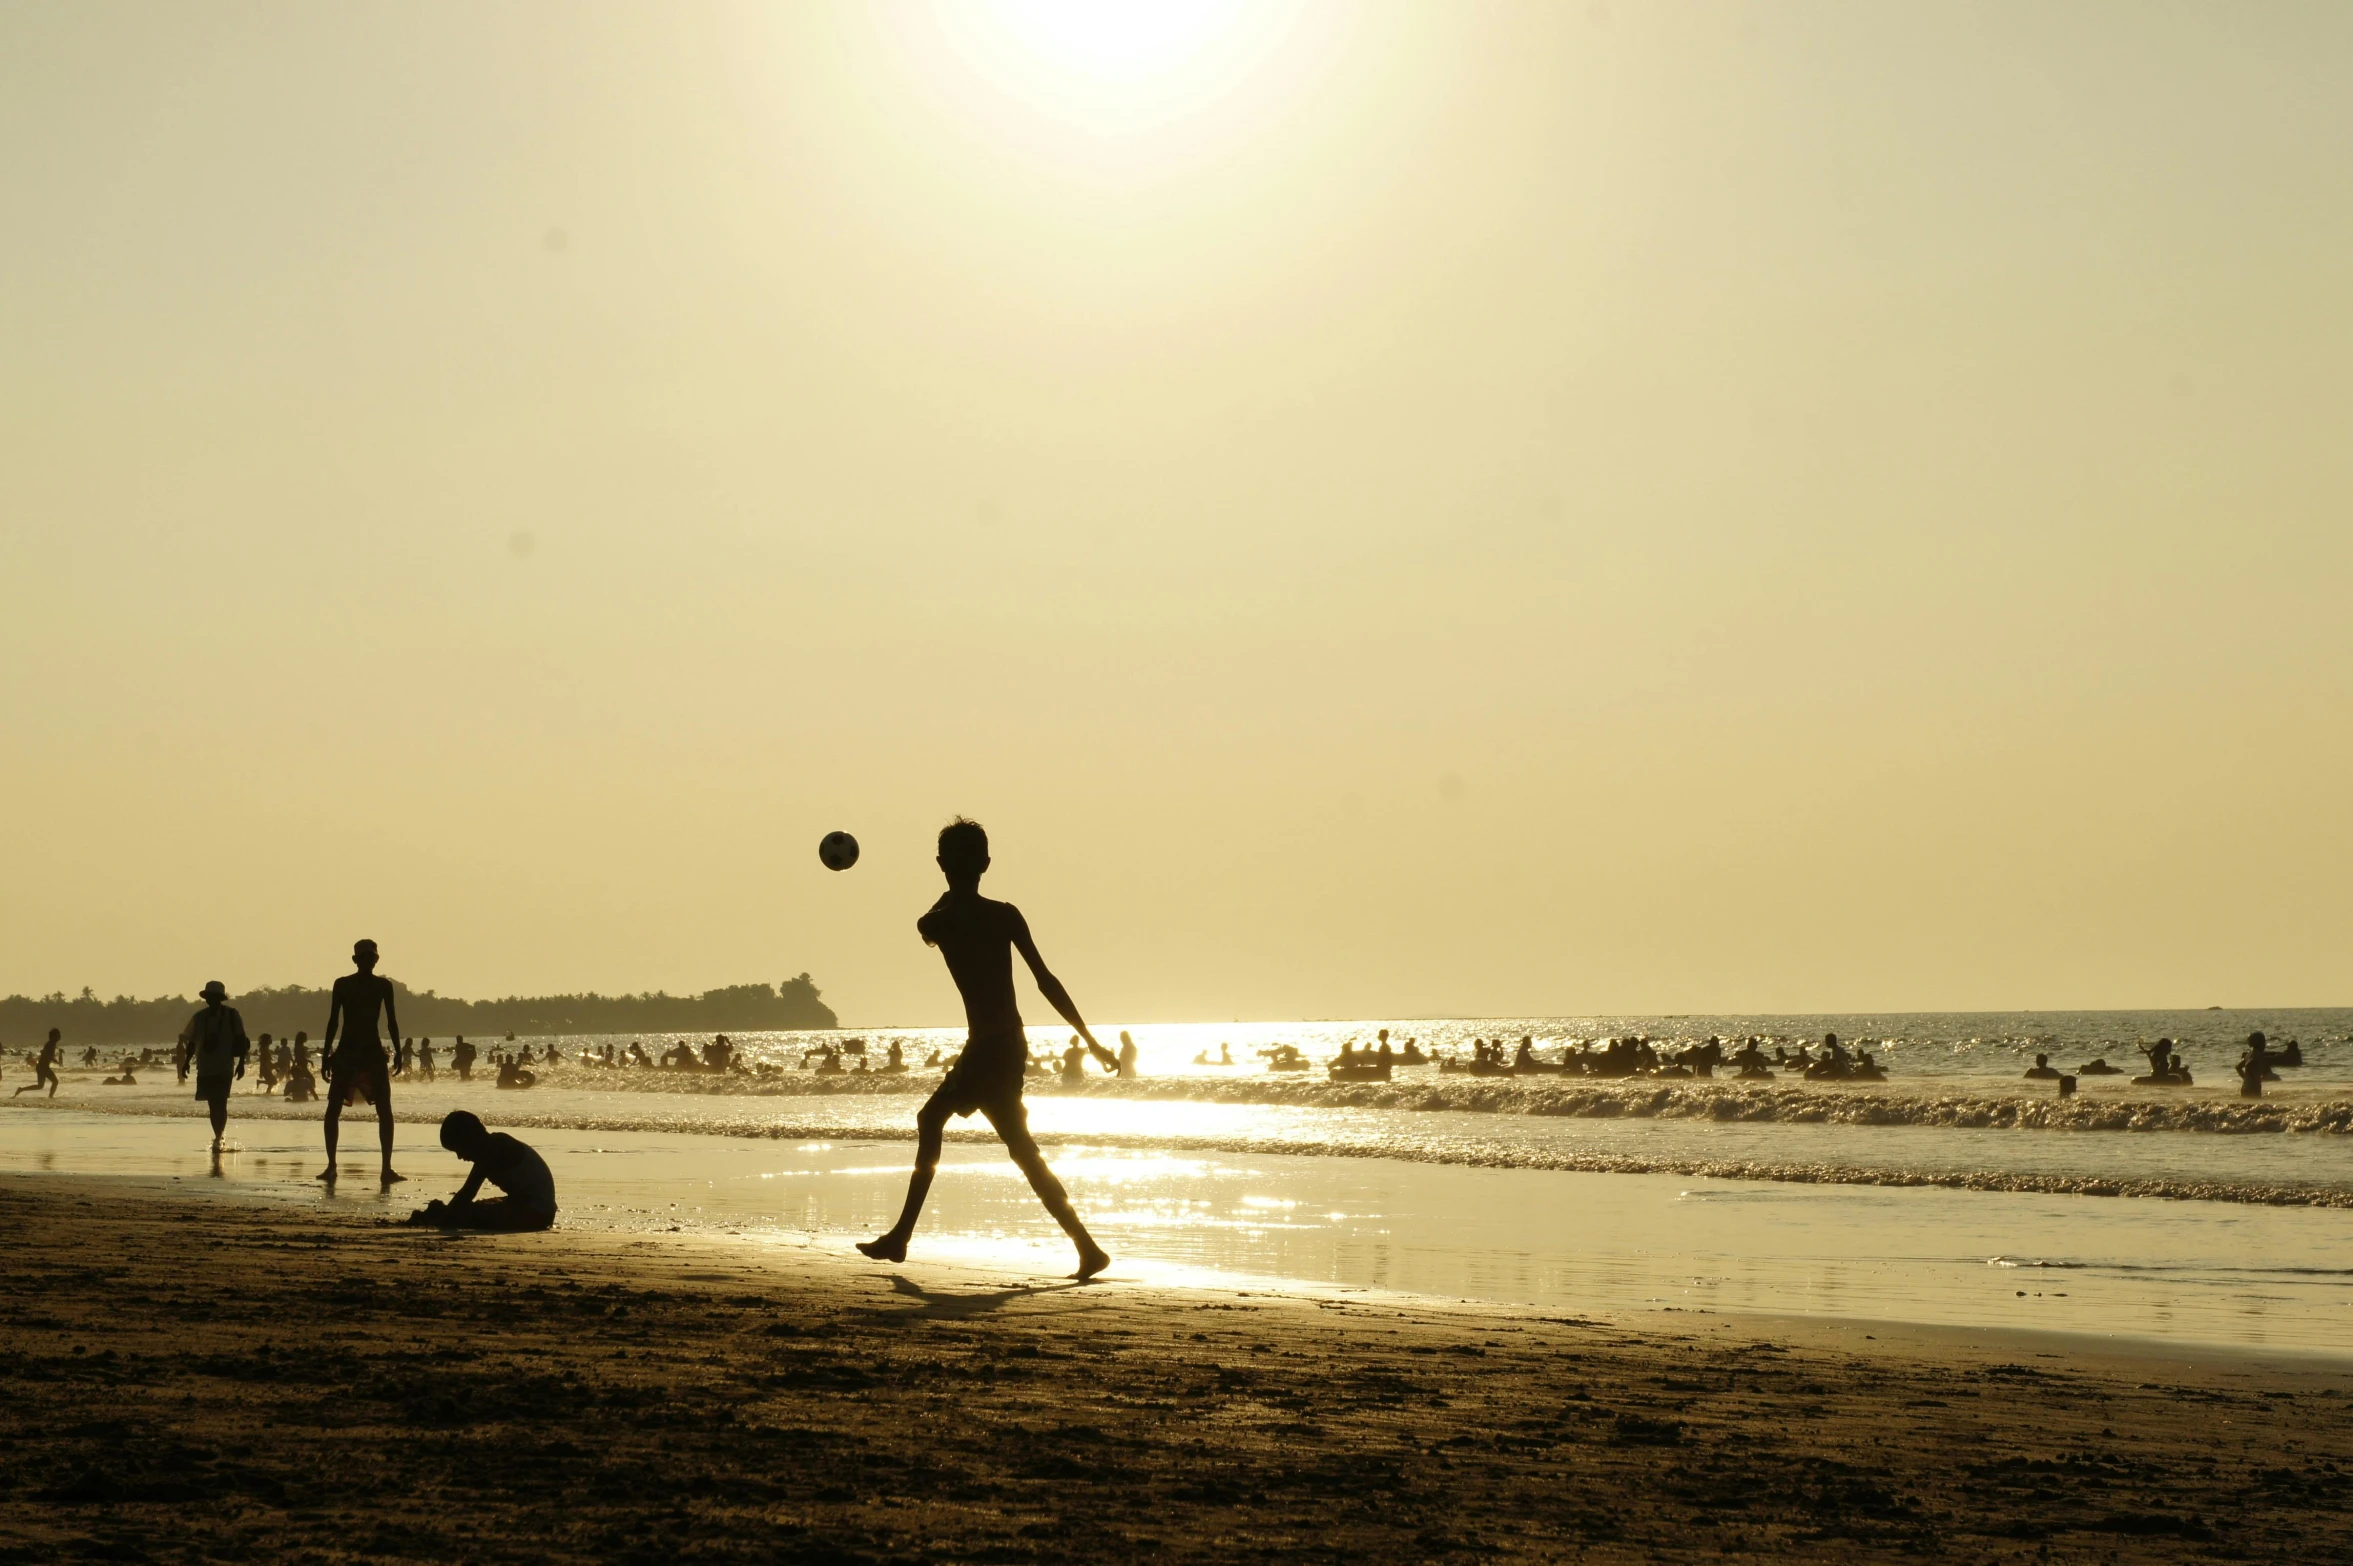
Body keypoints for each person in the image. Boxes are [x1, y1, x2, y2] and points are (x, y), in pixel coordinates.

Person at [859, 819, 1114, 1279]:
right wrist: (1090, 1040)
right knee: (1021, 1149)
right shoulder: (1004, 914)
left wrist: (945, 886)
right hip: (1007, 1042)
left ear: (941, 865)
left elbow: (930, 927)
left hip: (988, 1046)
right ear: (987, 864)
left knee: (932, 1119)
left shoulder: (936, 919)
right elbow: (1046, 980)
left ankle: (900, 1238)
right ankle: (1087, 1247)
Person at [319, 939, 403, 1186]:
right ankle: (332, 1165)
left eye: (371, 957)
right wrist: (326, 1054)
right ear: (355, 960)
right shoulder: (343, 985)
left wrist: (399, 1050)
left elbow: (392, 1021)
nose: (368, 961)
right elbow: (333, 1021)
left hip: (372, 1052)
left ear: (376, 959)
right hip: (347, 1052)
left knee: (384, 1109)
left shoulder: (383, 986)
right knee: (333, 1108)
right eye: (364, 957)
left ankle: (386, 1168)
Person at [407, 1111, 556, 1231]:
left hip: (536, 1212)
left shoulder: (493, 1148)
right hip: (530, 1206)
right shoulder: (491, 1145)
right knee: (472, 1208)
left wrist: (445, 1217)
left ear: (469, 1139)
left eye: (458, 1150)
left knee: (464, 1214)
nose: (460, 1157)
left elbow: (468, 1191)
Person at [179, 981, 250, 1152]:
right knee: (212, 1104)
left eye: (213, 997)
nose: (210, 1000)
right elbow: (191, 1042)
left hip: (225, 1065)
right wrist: (186, 1062)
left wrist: (241, 1064)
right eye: (209, 997)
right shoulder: (199, 1017)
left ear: (220, 999)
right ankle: (219, 1135)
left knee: (221, 1102)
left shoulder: (232, 1015)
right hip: (205, 1066)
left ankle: (219, 1136)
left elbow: (242, 1041)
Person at [12, 1029, 63, 1098]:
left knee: (40, 1086)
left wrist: (53, 1059)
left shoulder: (51, 1044)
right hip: (43, 1067)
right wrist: (54, 1060)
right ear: (53, 1036)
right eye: (58, 1034)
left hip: (41, 1067)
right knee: (55, 1082)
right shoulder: (50, 1044)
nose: (60, 1036)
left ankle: (21, 1089)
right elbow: (46, 1053)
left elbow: (45, 1053)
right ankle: (51, 1097)